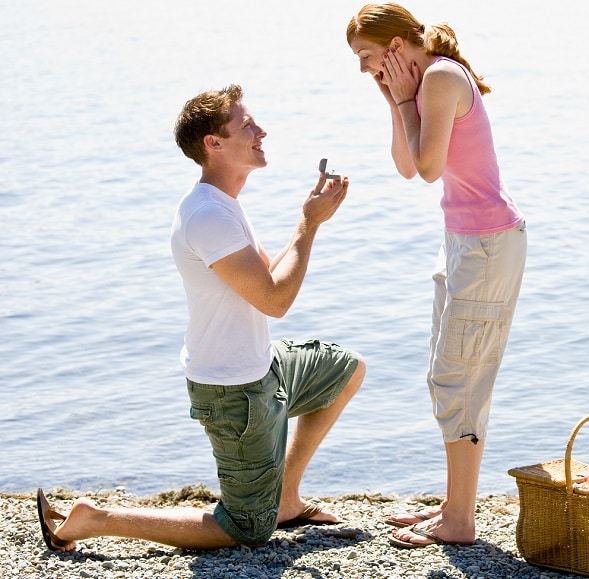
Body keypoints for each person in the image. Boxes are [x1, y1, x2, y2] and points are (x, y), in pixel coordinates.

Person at [36, 84, 366, 551]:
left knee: (346, 368)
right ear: (213, 144)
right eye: (246, 125)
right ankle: (95, 518)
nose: (261, 131)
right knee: (245, 530)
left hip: (262, 365)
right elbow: (275, 301)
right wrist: (308, 225)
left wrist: (308, 218)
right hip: (234, 391)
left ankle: (285, 499)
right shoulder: (207, 215)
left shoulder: (224, 204)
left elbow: (266, 277)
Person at [347, 3, 526, 548]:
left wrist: (403, 98)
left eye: (368, 57)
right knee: (450, 374)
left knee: (457, 378)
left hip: (487, 246)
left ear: (398, 45)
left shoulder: (444, 76)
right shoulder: (423, 84)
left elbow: (427, 169)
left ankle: (459, 522)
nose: (362, 69)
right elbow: (407, 165)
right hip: (464, 243)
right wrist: (393, 99)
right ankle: (455, 507)